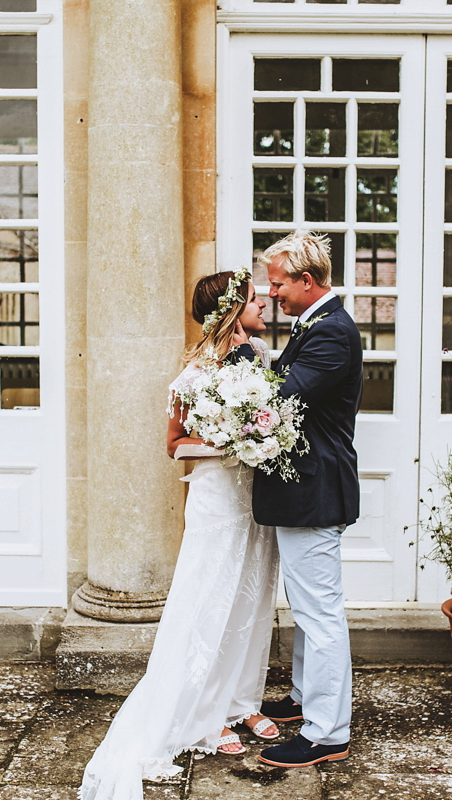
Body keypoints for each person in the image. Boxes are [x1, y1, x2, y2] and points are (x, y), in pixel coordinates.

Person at [79, 269, 281, 800]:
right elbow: (175, 444)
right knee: (210, 600)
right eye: (255, 299)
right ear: (233, 308)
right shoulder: (195, 370)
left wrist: (262, 438)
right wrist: (229, 445)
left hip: (253, 498)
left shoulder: (260, 356)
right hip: (217, 498)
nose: (265, 306)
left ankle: (244, 703)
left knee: (251, 599)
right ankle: (207, 714)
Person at [252, 231, 363, 768]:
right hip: (303, 490)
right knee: (307, 607)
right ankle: (302, 700)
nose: (270, 293)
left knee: (320, 614)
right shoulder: (313, 324)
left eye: (276, 284)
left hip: (315, 489)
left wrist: (235, 370)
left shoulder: (333, 334)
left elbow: (282, 394)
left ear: (306, 281)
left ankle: (327, 732)